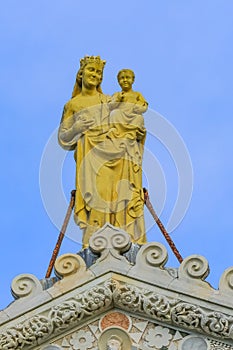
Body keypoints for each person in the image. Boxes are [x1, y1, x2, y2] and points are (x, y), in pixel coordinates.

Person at [58, 57, 147, 248]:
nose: (95, 75)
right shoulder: (72, 105)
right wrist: (77, 127)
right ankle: (96, 238)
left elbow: (127, 114)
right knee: (98, 194)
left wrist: (133, 129)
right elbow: (63, 137)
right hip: (90, 156)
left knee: (119, 193)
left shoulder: (108, 100)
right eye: (91, 71)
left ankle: (124, 235)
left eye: (99, 73)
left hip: (117, 154)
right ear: (81, 74)